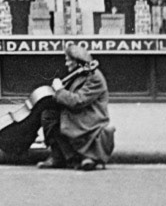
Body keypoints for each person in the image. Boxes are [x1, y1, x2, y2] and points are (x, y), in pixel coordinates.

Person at [37, 43, 114, 171]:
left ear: (78, 61)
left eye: (68, 61)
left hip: (90, 118)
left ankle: (81, 157)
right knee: (49, 115)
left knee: (61, 119)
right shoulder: (78, 74)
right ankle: (59, 156)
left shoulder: (94, 77)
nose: (66, 64)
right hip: (80, 114)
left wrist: (59, 90)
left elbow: (78, 101)